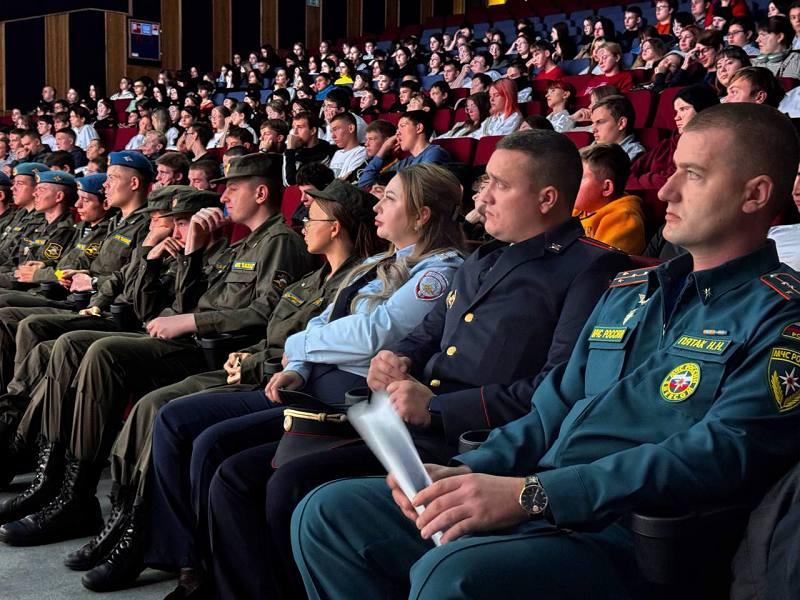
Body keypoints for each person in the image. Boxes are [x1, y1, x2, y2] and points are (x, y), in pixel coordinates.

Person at [292, 100, 800, 600]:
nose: (665, 189)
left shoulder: (780, 315)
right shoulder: (631, 292)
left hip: (633, 533)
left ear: (754, 194)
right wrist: (471, 470)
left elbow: (721, 452)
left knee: (453, 573)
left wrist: (532, 496)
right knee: (329, 516)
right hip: (541, 497)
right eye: (672, 171)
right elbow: (549, 409)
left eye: (692, 174)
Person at [145, 165, 465, 598]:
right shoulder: (377, 263)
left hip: (351, 403)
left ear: (423, 215)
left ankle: (235, 583)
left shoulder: (439, 272)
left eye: (390, 198)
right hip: (311, 384)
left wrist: (300, 345)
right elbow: (324, 319)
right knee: (190, 428)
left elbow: (375, 335)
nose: (378, 205)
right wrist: (298, 362)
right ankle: (199, 567)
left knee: (225, 461)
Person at [77, 180, 385, 591]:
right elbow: (271, 327)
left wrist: (255, 359)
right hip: (251, 368)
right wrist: (250, 354)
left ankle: (163, 548)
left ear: (336, 226)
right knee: (169, 412)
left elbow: (326, 351)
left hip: (288, 387)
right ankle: (173, 550)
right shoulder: (311, 281)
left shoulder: (356, 284)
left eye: (310, 216)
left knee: (174, 415)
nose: (302, 223)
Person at [0, 153, 315, 547]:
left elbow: (261, 313)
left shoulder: (279, 242)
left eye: (232, 188)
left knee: (95, 352)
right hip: (183, 337)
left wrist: (191, 295)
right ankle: (58, 482)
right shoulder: (245, 243)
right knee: (67, 347)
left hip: (213, 351)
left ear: (262, 191)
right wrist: (176, 258)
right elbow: (167, 305)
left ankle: (79, 494)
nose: (224, 197)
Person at [629, 84, 719, 192]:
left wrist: (644, 179)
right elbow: (629, 173)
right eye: (676, 111)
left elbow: (674, 184)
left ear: (703, 110)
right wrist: (652, 179)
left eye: (683, 109)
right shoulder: (667, 144)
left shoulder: (712, 146)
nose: (676, 117)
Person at [573, 144, 645, 255]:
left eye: (580, 177)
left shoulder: (623, 219)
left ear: (606, 188)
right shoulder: (579, 209)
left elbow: (600, 264)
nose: (570, 182)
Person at [358, 111, 451, 189]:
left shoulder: (434, 152)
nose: (397, 133)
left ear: (419, 128)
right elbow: (364, 183)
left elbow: (419, 187)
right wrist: (384, 148)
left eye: (402, 126)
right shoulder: (407, 161)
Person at [283, 111, 336, 186]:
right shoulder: (295, 149)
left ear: (312, 131)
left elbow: (293, 182)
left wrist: (290, 150)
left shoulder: (324, 151)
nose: (295, 132)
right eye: (293, 127)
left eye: (300, 127)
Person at [590, 95, 645, 161]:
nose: (593, 130)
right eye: (593, 123)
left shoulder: (635, 154)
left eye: (600, 122)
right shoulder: (594, 146)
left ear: (621, 123)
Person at [328, 113, 368, 182]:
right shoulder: (337, 153)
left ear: (351, 128)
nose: (333, 136)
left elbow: (348, 181)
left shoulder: (361, 152)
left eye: (336, 129)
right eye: (331, 131)